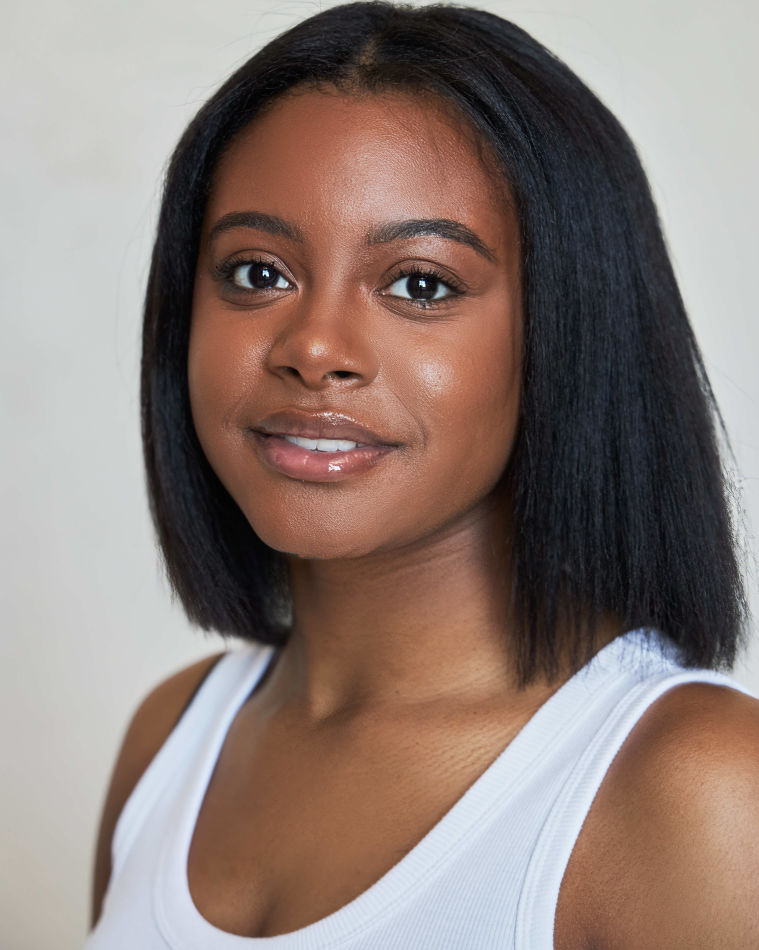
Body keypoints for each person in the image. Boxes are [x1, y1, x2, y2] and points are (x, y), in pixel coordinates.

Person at [85, 2, 759, 946]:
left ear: (567, 332)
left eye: (420, 283)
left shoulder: (698, 791)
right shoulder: (173, 737)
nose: (314, 347)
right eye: (256, 272)